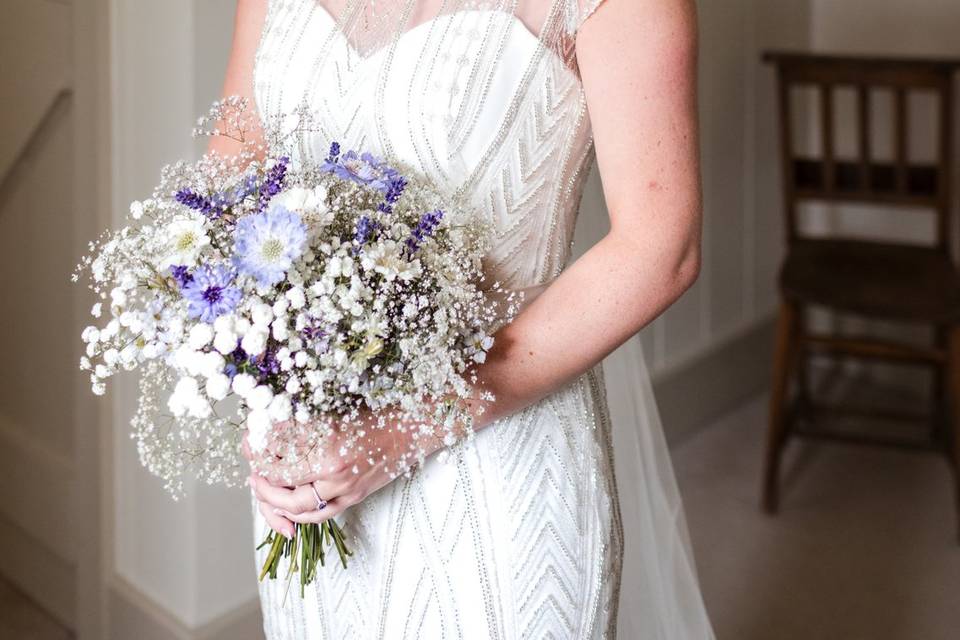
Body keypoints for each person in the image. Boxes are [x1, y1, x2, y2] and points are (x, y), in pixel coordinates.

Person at [213, 0, 714, 637]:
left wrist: (398, 430)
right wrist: (254, 371)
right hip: (313, 467)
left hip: (500, 468)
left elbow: (661, 248)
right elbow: (232, 176)